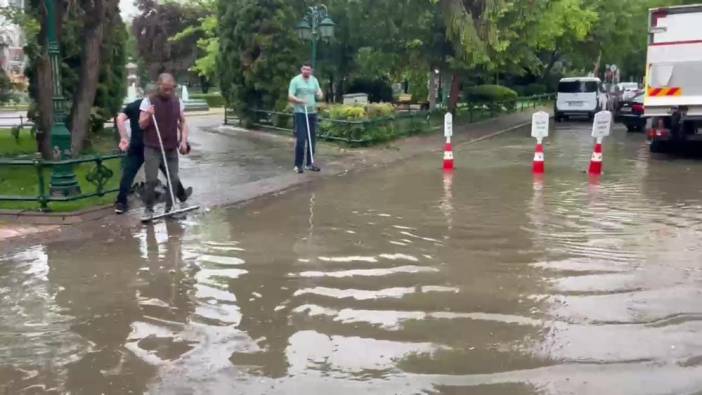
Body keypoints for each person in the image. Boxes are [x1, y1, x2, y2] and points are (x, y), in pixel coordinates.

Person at [114, 94, 192, 215]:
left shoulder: (133, 105)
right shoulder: (159, 105)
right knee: (169, 171)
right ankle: (181, 195)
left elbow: (119, 118)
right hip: (153, 145)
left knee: (128, 173)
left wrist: (124, 138)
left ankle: (121, 203)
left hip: (137, 145)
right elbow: (177, 123)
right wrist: (183, 139)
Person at [138, 73, 191, 221]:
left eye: (171, 89)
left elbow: (183, 122)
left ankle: (170, 208)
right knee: (151, 180)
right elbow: (141, 124)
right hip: (152, 147)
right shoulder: (148, 101)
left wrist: (183, 140)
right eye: (165, 89)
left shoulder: (177, 101)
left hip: (170, 147)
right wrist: (148, 115)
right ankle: (148, 209)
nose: (168, 92)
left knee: (173, 178)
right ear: (158, 85)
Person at [288, 63, 323, 174]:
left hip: (312, 113)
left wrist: (320, 94)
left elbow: (319, 93)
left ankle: (309, 164)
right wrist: (299, 101)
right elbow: (290, 96)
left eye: (308, 69)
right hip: (300, 113)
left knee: (312, 140)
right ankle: (298, 165)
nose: (306, 71)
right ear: (301, 69)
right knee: (301, 140)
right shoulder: (295, 80)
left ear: (311, 70)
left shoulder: (314, 80)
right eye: (304, 69)